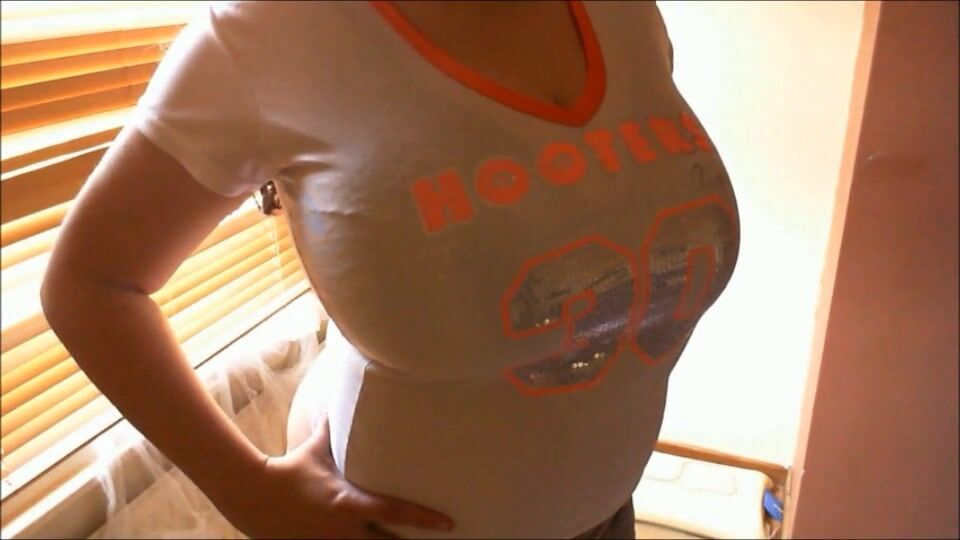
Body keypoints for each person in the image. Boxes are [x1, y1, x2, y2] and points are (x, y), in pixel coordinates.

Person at [41, 1, 740, 538]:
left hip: (609, 515)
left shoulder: (624, 14)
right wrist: (247, 490)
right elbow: (89, 282)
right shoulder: (274, 32)